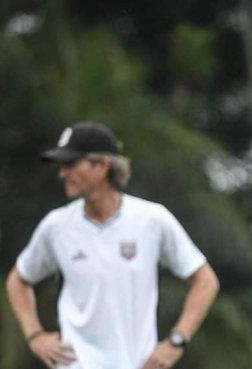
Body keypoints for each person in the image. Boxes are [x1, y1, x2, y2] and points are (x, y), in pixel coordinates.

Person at [5, 122, 220, 369]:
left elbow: (205, 281)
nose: (62, 174)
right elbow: (18, 280)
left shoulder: (152, 220)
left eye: (71, 164)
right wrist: (35, 336)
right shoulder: (56, 226)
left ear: (103, 166)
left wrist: (176, 342)